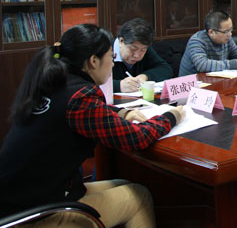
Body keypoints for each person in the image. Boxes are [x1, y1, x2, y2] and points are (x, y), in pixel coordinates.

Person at [0, 24, 185, 227]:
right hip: (32, 214)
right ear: (93, 61)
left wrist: (122, 112)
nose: (113, 64)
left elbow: (83, 113)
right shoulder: (80, 95)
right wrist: (171, 116)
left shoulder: (55, 81)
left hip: (19, 197)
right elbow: (136, 138)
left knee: (125, 184)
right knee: (139, 197)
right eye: (110, 58)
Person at [179, 11, 237, 75]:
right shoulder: (197, 41)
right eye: (226, 31)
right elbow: (202, 65)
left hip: (214, 82)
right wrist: (232, 64)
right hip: (193, 87)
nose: (230, 34)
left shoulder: (226, 38)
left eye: (231, 29)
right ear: (211, 32)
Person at [112, 18, 173, 92]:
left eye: (143, 50)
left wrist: (145, 76)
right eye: (133, 49)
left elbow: (165, 69)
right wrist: (118, 86)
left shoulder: (143, 46)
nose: (137, 55)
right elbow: (98, 83)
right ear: (121, 41)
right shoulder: (105, 51)